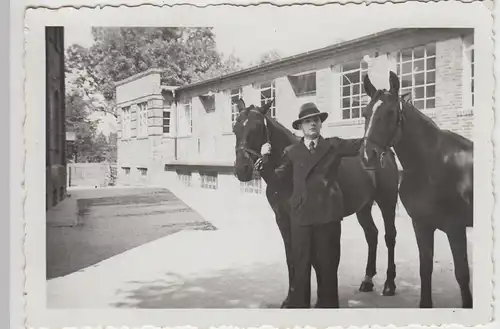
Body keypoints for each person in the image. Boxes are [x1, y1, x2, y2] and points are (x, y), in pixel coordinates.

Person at [256, 102, 365, 308]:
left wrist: (381, 128)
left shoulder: (333, 145)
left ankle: (327, 312)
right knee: (300, 270)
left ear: (320, 124)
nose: (312, 123)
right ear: (300, 127)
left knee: (327, 269)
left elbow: (362, 144)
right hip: (301, 219)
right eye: (307, 121)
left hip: (328, 217)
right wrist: (264, 159)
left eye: (315, 120)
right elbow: (277, 180)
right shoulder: (291, 152)